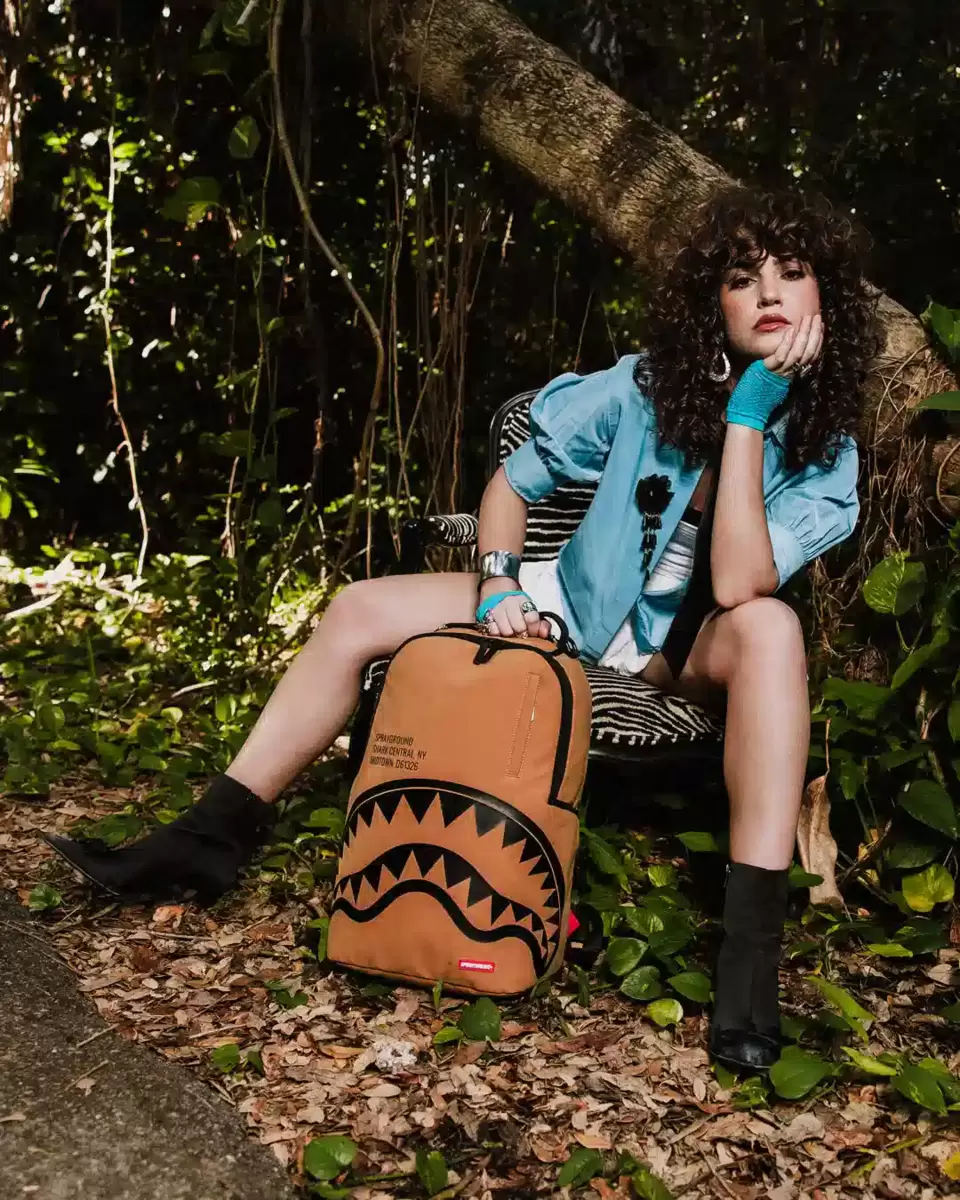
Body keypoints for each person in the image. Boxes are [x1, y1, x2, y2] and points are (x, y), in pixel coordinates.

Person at [45, 186, 880, 1073]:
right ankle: (206, 838)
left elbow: (739, 581)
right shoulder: (640, 388)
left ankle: (749, 963)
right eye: (742, 278)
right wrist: (498, 587)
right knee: (359, 606)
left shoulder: (829, 453)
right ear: (712, 303)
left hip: (685, 649)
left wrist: (750, 414)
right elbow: (513, 483)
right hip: (570, 605)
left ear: (825, 297)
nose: (769, 293)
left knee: (772, 627)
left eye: (792, 273)